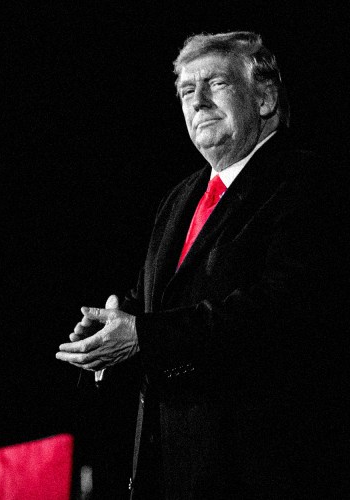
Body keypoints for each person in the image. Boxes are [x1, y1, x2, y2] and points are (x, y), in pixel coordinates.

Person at [56, 32, 348, 498]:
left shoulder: (309, 183)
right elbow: (155, 305)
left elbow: (283, 310)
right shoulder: (179, 198)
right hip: (169, 475)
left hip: (262, 473)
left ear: (265, 99)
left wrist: (143, 335)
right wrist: (108, 334)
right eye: (187, 91)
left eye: (216, 84)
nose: (198, 101)